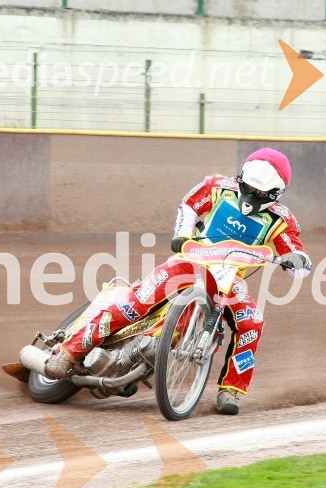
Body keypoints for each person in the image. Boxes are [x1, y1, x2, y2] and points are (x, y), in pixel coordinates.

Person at [44, 147, 311, 415]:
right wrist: (182, 234)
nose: (250, 194)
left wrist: (297, 261)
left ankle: (231, 390)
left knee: (252, 322)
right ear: (241, 176)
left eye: (260, 192)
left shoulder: (281, 219)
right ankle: (68, 351)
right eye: (247, 186)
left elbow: (294, 251)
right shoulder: (217, 185)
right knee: (134, 304)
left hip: (230, 279)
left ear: (275, 194)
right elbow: (189, 205)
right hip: (189, 262)